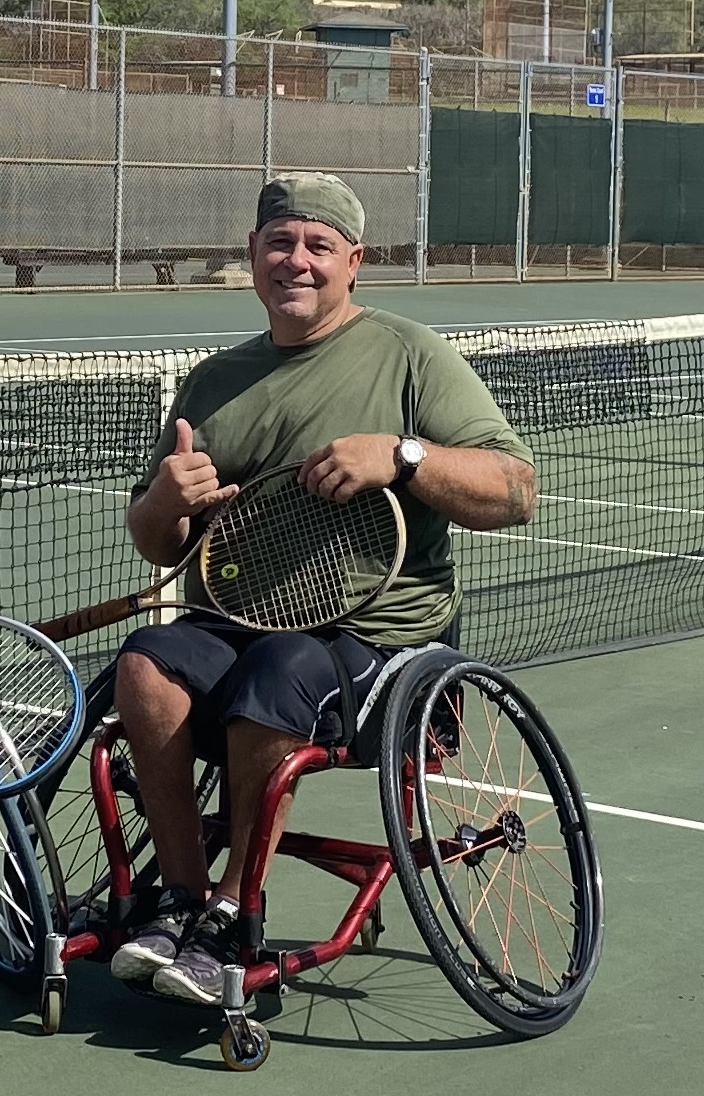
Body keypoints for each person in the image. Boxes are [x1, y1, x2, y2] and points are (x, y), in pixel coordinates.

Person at [109, 171, 538, 1006]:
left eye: (317, 246)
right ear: (252, 256)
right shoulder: (211, 383)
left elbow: (517, 489)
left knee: (281, 673)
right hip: (235, 618)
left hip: (381, 641)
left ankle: (238, 912)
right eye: (279, 242)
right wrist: (165, 502)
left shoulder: (410, 355)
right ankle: (184, 901)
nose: (295, 261)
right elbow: (156, 542)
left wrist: (404, 456)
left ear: (354, 262)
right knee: (142, 667)